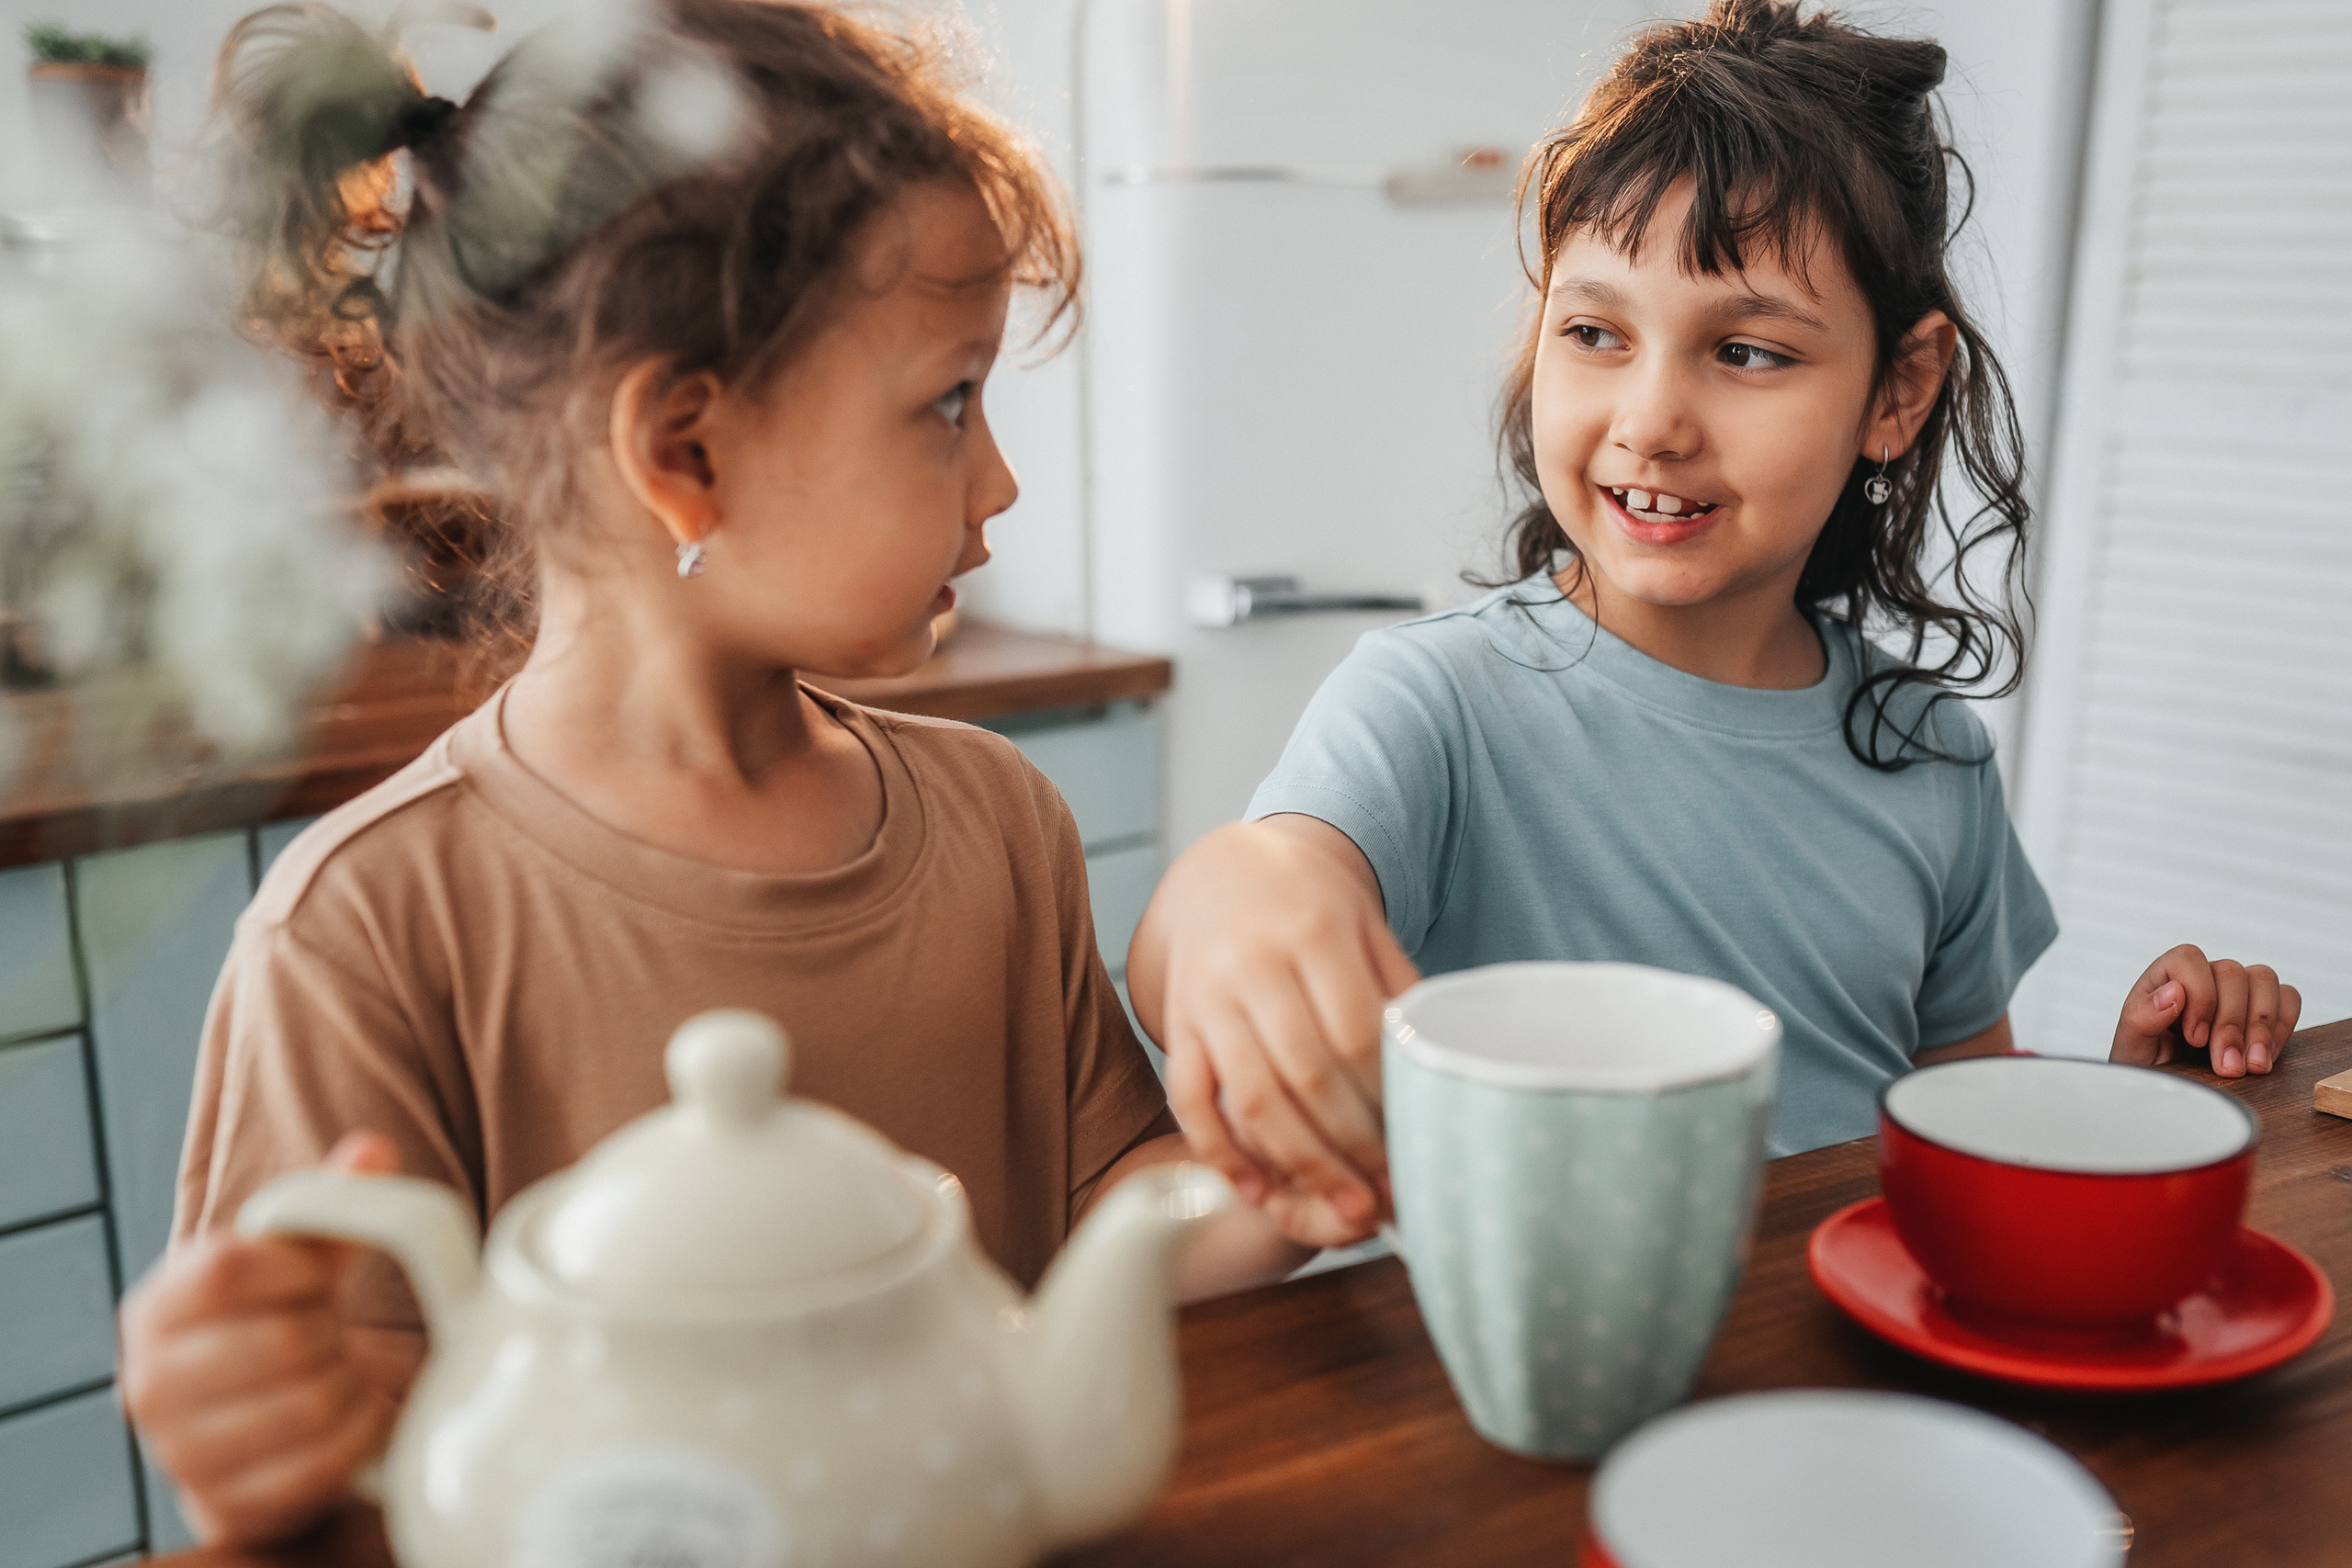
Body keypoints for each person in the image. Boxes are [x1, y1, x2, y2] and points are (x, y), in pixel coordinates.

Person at [117, 0, 1310, 1546]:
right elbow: (351, 1467)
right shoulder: (369, 930)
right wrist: (245, 1436)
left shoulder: (998, 821)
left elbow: (1111, 1221)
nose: (1002, 477)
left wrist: (1300, 1172)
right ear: (686, 449)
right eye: (948, 402)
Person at [1126, 0, 2302, 1248]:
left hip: (1833, 1385)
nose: (1651, 419)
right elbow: (1244, 898)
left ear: (1897, 392)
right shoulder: (1434, 706)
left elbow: (1962, 1144)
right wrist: (1230, 895)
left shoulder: (1929, 750)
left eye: (1744, 352)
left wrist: (2136, 1102)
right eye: (1595, 333)